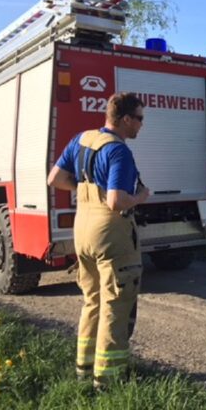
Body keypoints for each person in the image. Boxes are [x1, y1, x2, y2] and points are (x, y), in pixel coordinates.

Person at [47, 93, 149, 388]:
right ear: (126, 119)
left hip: (83, 230)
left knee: (91, 302)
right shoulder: (119, 151)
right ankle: (109, 380)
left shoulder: (82, 139)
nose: (141, 125)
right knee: (115, 306)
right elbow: (117, 201)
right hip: (111, 234)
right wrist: (141, 197)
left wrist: (85, 191)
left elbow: (55, 178)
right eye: (139, 119)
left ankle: (84, 369)